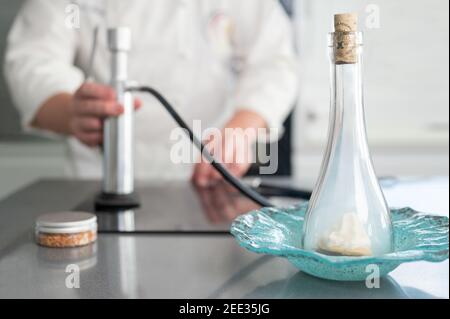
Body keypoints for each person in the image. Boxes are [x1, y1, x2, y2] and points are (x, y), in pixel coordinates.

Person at [4, 0, 298, 186]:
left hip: (210, 183)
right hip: (98, 184)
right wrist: (71, 111)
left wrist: (240, 130)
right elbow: (32, 59)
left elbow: (275, 63)